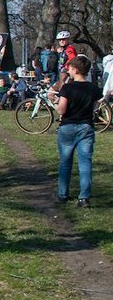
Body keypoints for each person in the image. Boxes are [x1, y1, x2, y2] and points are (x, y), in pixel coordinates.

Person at [55, 55, 102, 207]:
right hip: (86, 126)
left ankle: (63, 194)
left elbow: (61, 110)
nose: (67, 71)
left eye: (69, 68)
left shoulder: (67, 88)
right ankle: (84, 198)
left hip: (67, 126)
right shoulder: (93, 88)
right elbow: (96, 106)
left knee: (65, 162)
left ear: (75, 70)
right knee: (85, 163)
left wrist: (55, 103)